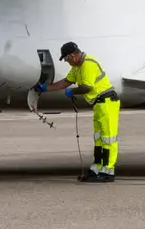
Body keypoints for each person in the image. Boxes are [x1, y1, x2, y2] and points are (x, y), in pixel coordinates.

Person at [38, 42, 119, 182]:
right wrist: (47, 88)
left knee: (108, 138)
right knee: (99, 138)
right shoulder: (77, 67)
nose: (67, 62)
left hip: (107, 103)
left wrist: (73, 91)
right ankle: (97, 168)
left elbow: (87, 87)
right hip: (99, 104)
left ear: (73, 56)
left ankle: (108, 171)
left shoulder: (88, 64)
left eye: (67, 59)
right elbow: (65, 82)